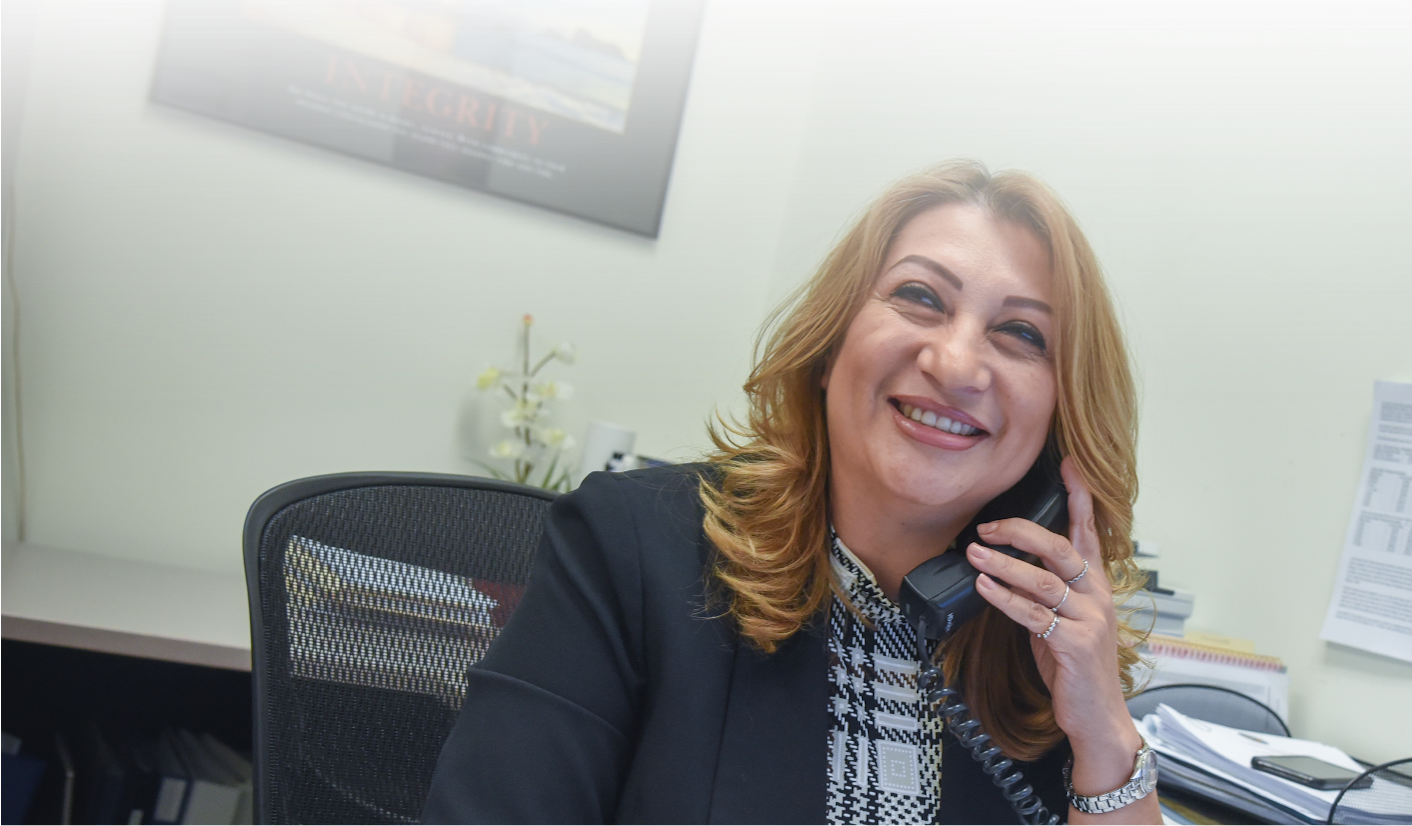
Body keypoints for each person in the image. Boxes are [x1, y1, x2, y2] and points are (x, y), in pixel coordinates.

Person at [421, 161, 1159, 825]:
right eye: (920, 296)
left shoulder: (1042, 652)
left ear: (1060, 420)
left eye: (1022, 334)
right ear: (830, 342)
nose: (958, 362)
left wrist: (1104, 734)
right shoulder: (628, 549)